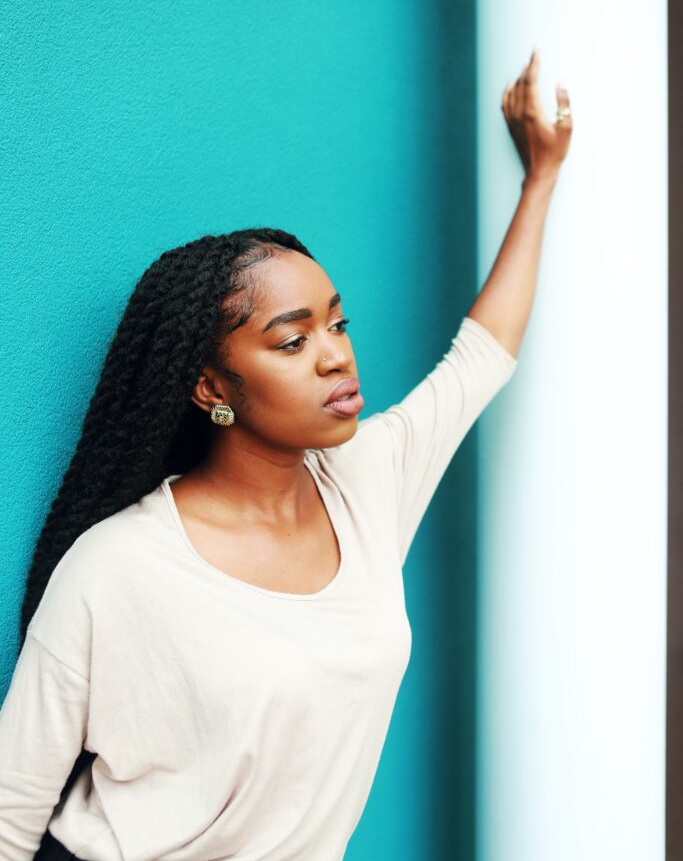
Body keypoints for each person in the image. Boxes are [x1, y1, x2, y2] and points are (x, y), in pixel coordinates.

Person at [0, 48, 571, 861]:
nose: (336, 357)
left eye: (336, 324)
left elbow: (480, 356)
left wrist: (538, 179)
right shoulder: (117, 567)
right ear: (209, 387)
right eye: (292, 339)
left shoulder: (366, 482)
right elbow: (9, 806)